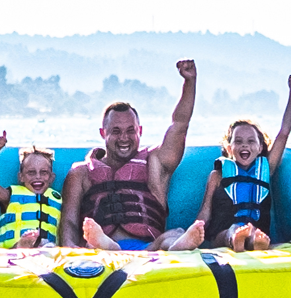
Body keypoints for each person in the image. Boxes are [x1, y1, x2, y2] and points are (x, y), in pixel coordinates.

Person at [61, 59, 205, 251]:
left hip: (149, 249)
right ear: (103, 133)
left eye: (130, 131)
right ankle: (106, 245)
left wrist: (189, 82)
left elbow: (179, 125)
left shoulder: (155, 162)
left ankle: (178, 247)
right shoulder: (81, 173)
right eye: (116, 131)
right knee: (90, 243)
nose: (124, 138)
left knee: (173, 235)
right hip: (98, 250)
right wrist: (70, 249)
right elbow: (69, 221)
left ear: (140, 131)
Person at [194, 74, 291, 250]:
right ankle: (237, 240)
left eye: (251, 141)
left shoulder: (266, 169)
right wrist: (196, 229)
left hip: (256, 230)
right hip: (222, 235)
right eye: (238, 141)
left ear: (260, 148)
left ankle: (255, 242)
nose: (244, 145)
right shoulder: (217, 176)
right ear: (229, 148)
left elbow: (284, 132)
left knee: (253, 233)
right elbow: (205, 210)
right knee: (233, 230)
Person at [0, 132, 60, 248]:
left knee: (49, 246)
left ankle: (37, 246)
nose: (37, 177)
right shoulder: (10, 196)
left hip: (44, 251)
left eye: (44, 172)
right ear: (21, 177)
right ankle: (22, 244)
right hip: (10, 252)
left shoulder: (58, 200)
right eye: (31, 173)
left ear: (52, 177)